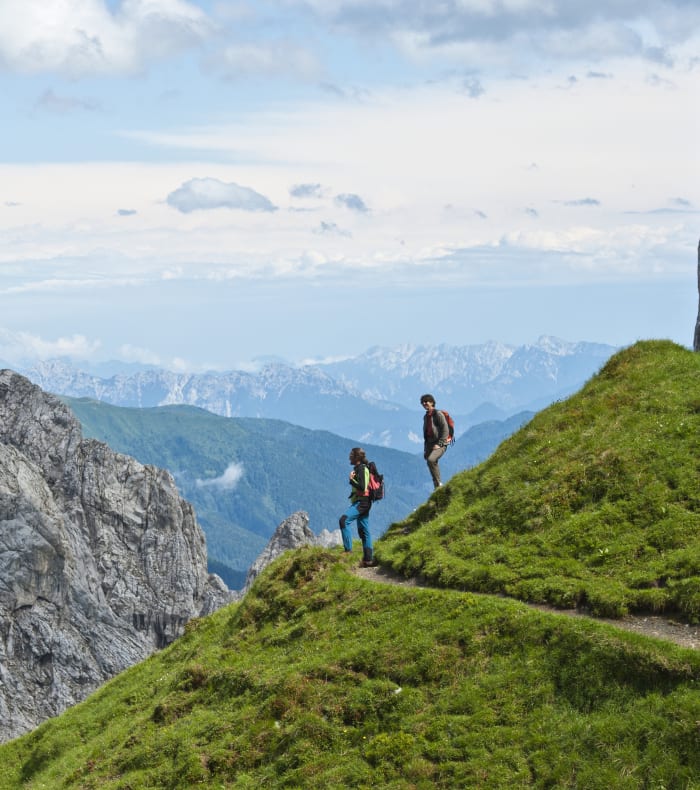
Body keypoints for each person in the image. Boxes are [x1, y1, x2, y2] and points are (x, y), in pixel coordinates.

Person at [338, 447, 376, 567]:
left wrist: (351, 480)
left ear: (357, 457)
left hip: (362, 502)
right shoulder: (361, 468)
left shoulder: (361, 468)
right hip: (364, 502)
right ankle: (368, 559)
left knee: (344, 520)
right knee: (363, 530)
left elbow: (362, 487)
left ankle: (348, 551)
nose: (349, 457)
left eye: (351, 455)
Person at [421, 393, 449, 488]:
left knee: (431, 460)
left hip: (441, 443)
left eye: (426, 401)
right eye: (422, 402)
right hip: (430, 444)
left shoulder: (438, 414)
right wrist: (426, 449)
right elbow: (426, 434)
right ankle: (437, 486)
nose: (424, 404)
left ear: (432, 402)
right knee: (431, 463)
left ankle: (439, 484)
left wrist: (440, 444)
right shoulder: (426, 417)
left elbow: (445, 430)